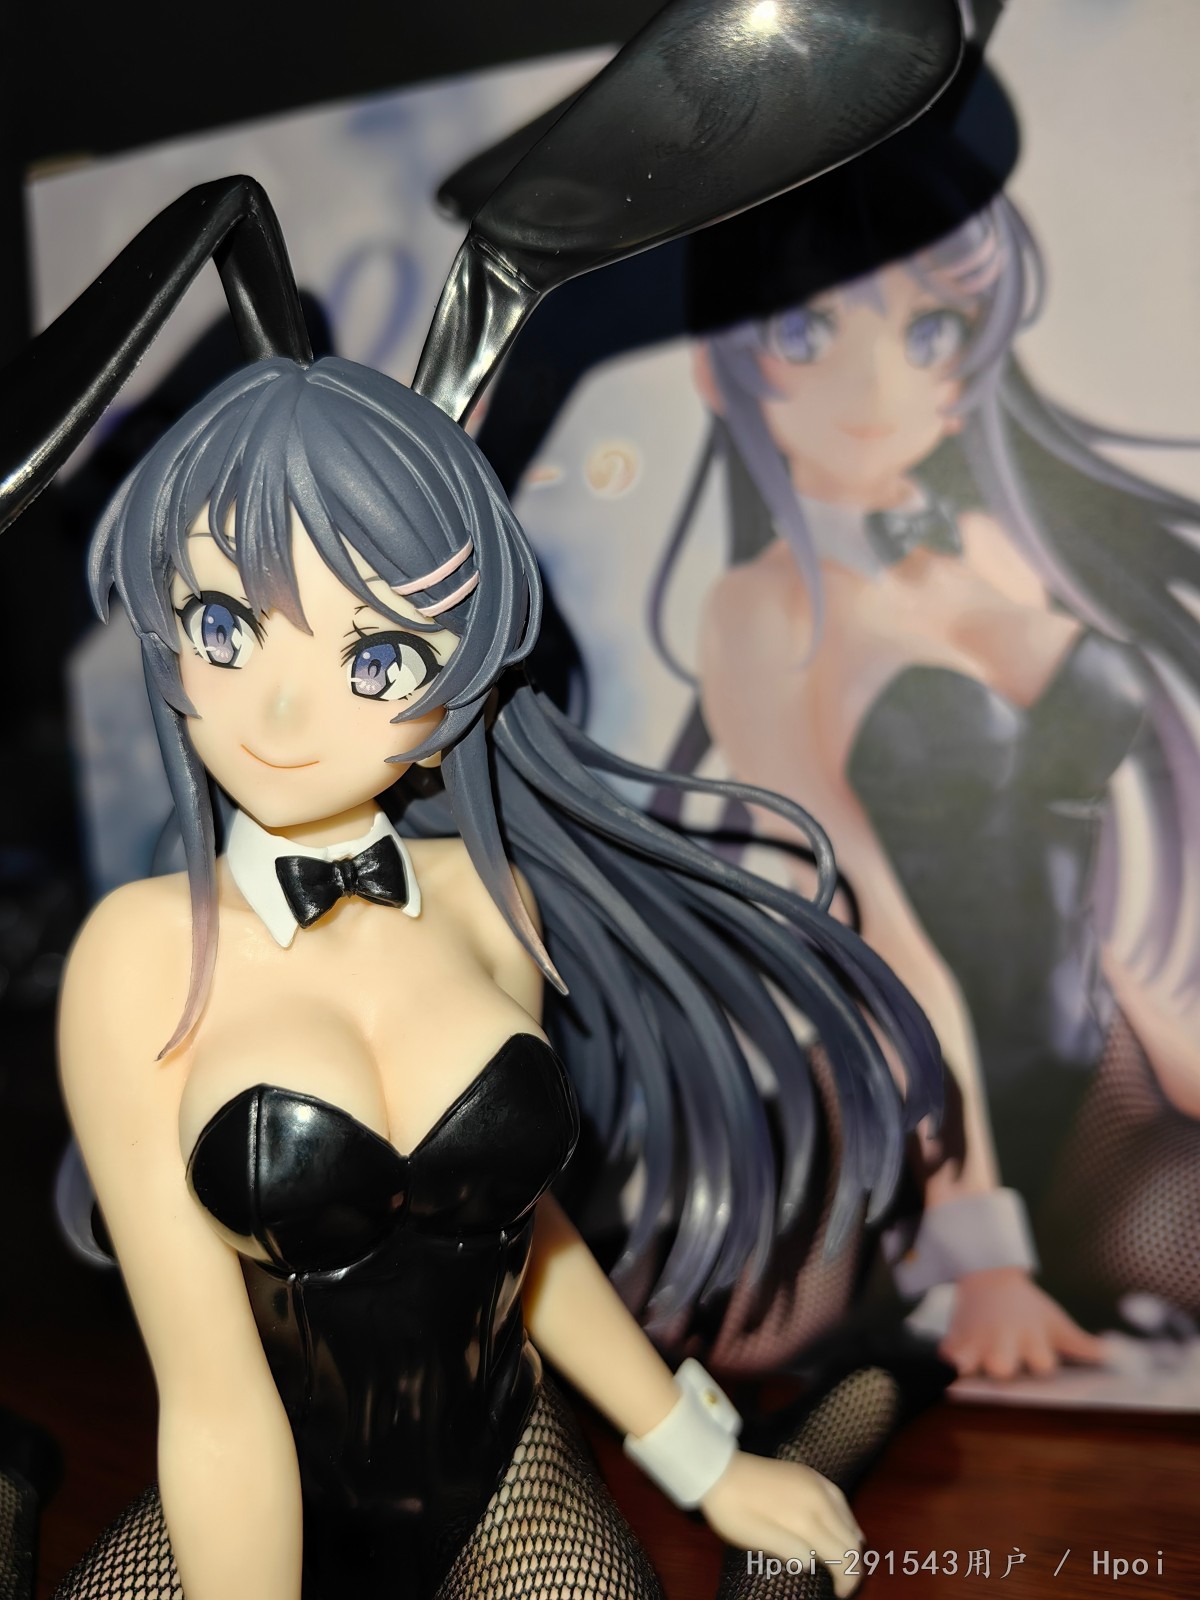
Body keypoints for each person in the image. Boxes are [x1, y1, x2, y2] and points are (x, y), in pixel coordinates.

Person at [44, 349, 946, 1600]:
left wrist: (704, 1463)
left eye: (375, 658)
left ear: (459, 681)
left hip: (499, 1474)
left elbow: (530, 1239)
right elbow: (210, 1389)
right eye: (225, 628)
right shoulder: (140, 958)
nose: (282, 715)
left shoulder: (489, 899)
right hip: (262, 1491)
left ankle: (839, 1417)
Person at [648, 125, 1200, 1376]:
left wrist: (1177, 1063)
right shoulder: (761, 615)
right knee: (736, 1363)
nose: (878, 385)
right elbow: (877, 933)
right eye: (806, 331)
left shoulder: (989, 551)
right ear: (719, 371)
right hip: (896, 1114)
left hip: (1095, 1097)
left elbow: (1067, 892)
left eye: (929, 330)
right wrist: (982, 1246)